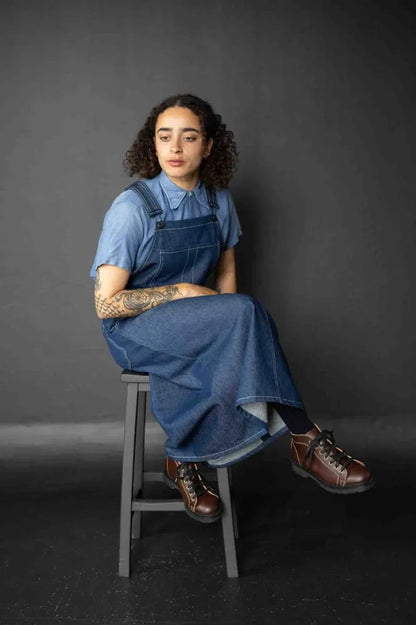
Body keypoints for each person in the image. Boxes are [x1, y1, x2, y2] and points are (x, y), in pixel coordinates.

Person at [90, 93, 374, 524]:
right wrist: (182, 291)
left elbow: (227, 280)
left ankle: (181, 458)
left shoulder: (217, 200)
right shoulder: (132, 209)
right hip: (133, 330)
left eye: (189, 137)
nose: (175, 147)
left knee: (242, 313)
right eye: (164, 137)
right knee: (244, 313)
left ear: (208, 146)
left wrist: (226, 329)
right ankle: (304, 438)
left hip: (195, 322)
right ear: (153, 145)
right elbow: (106, 305)